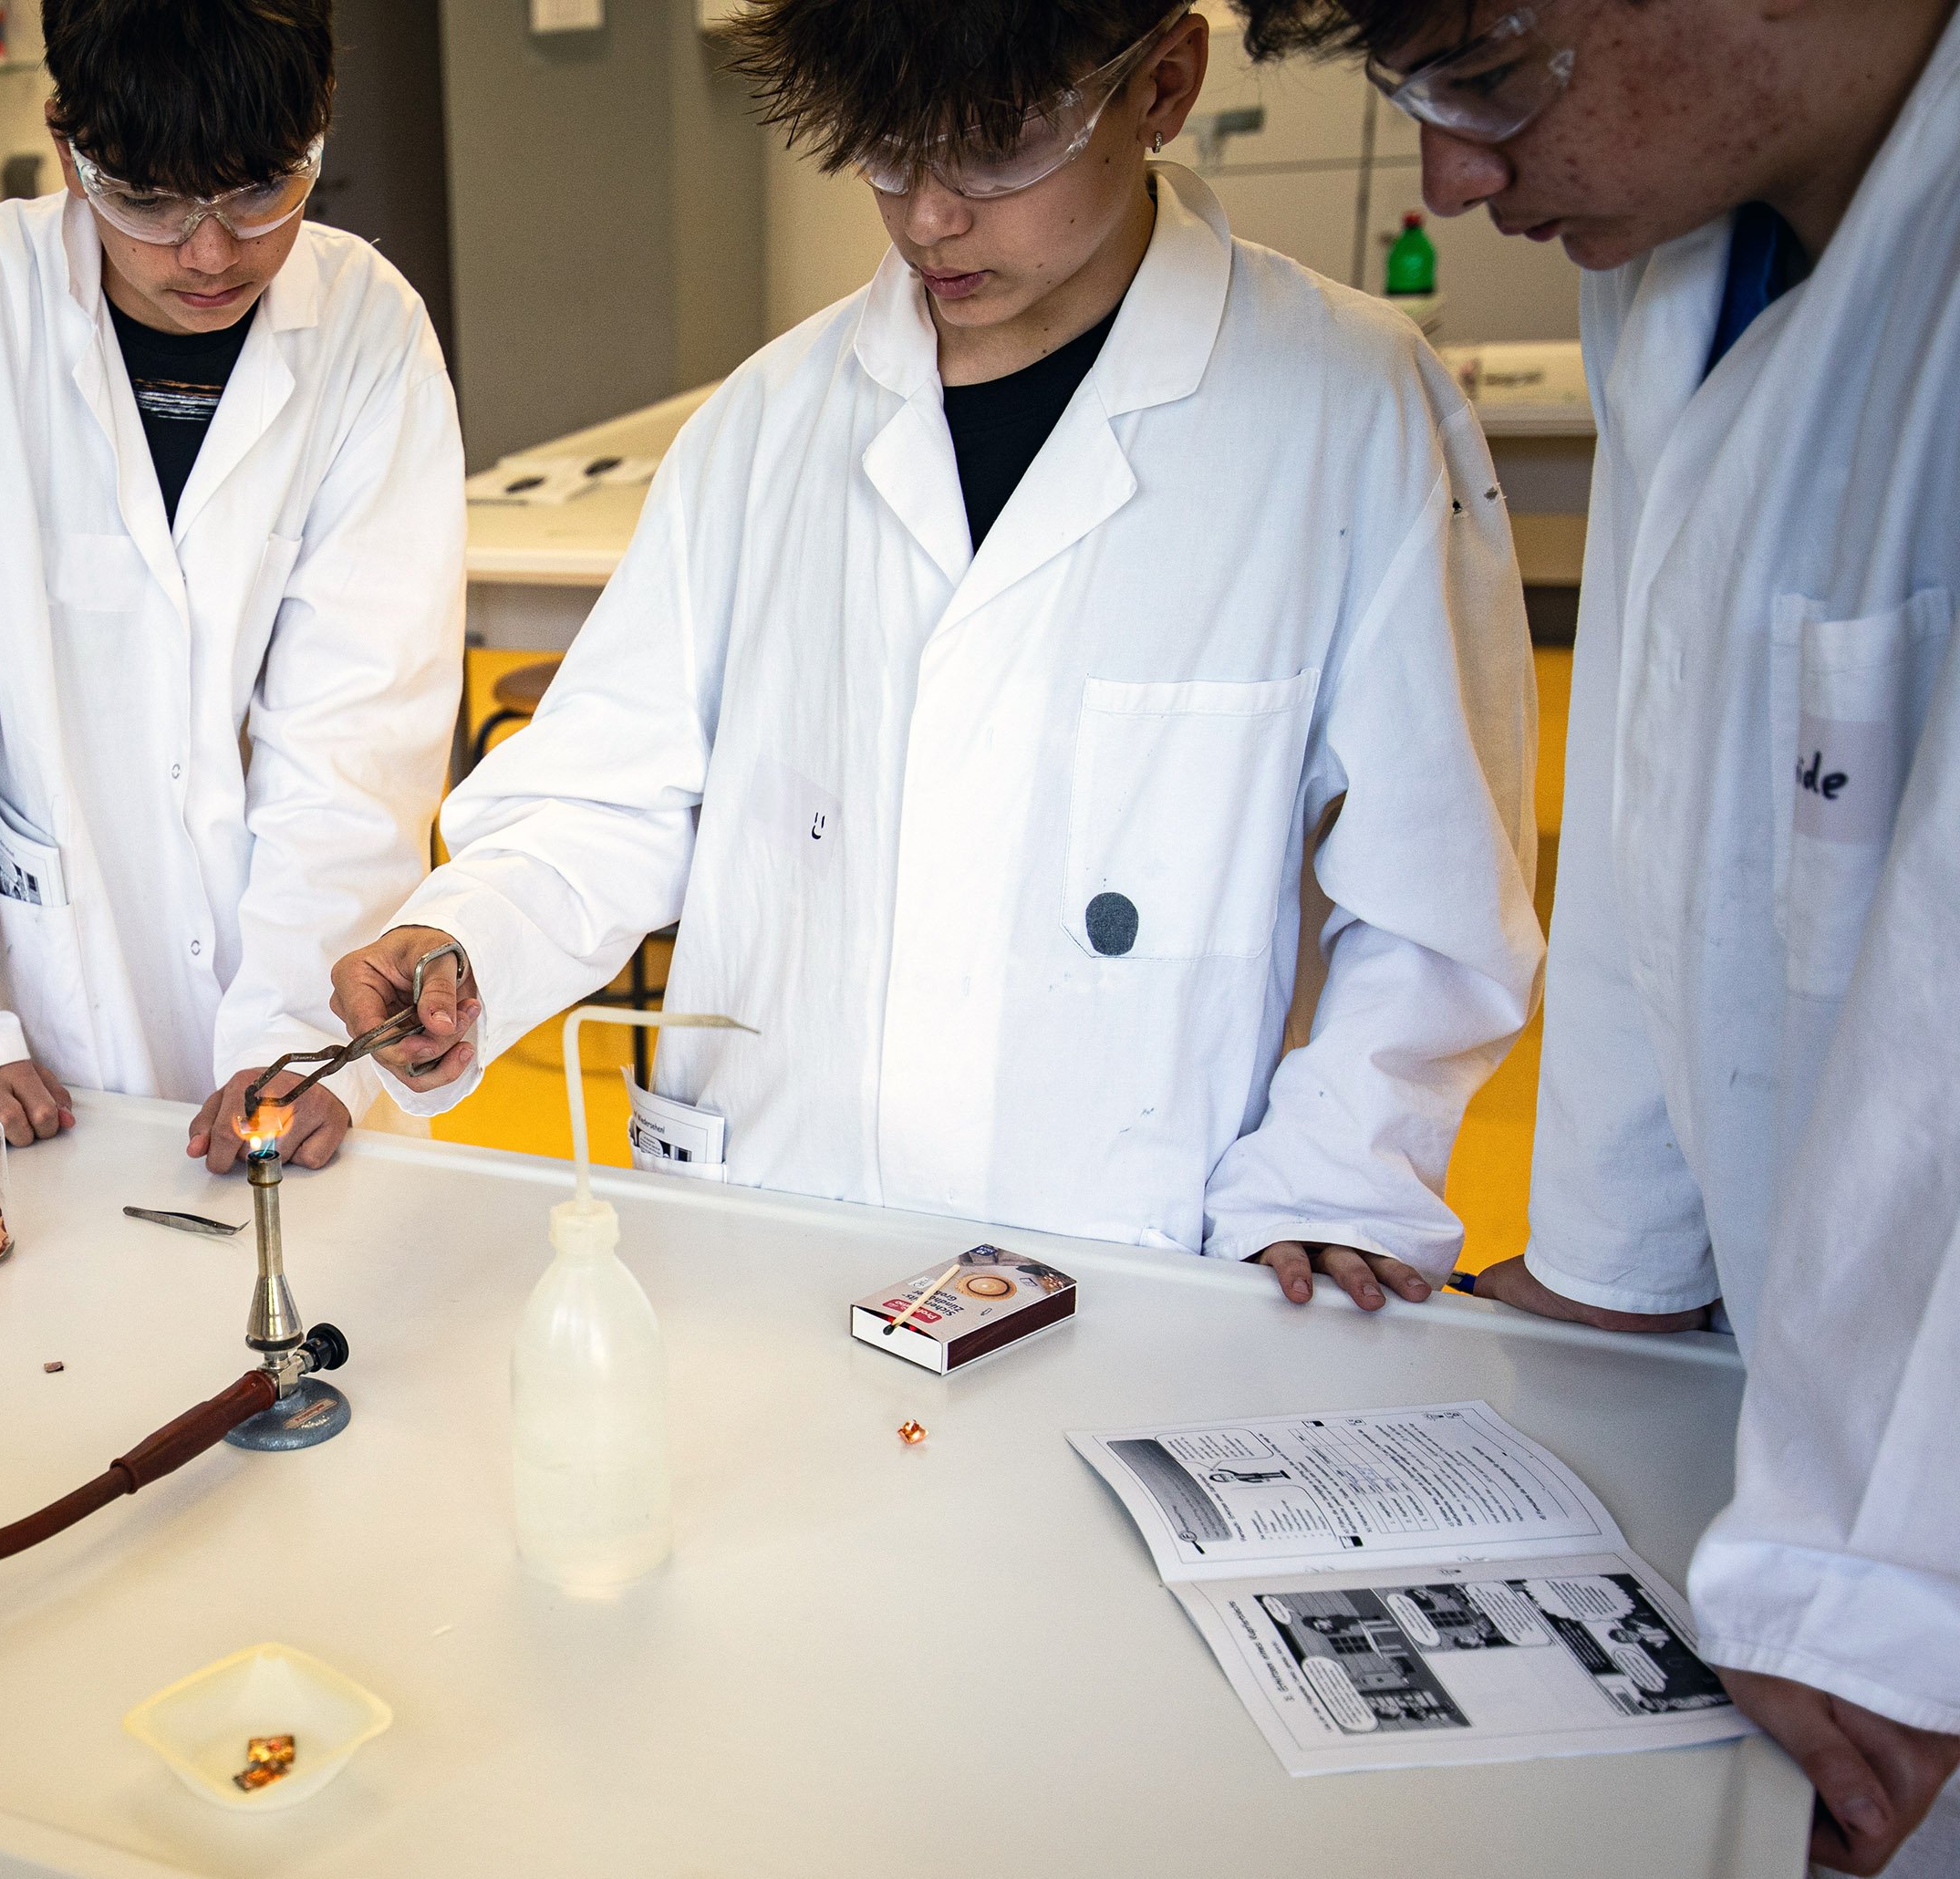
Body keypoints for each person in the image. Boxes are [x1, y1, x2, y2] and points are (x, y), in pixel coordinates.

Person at [334, 1, 1541, 1309]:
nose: (928, 218)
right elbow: (606, 794)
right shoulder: (766, 423)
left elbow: (1431, 895)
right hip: (774, 1220)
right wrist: (470, 940)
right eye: (889, 149)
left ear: (1163, 84)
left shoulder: (1347, 406)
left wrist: (1335, 1172)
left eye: (998, 146)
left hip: (1137, 1251)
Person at [1229, 0, 1960, 1867]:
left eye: (1487, 78)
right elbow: (1661, 794)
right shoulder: (1675, 271)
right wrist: (1611, 1271)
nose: (1451, 178)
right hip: (1786, 1397)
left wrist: (1900, 1578)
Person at [0, 0, 464, 1168]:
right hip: (33, 1027)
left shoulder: (369, 329)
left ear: (318, 127)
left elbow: (358, 741)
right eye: (150, 200)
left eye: (261, 190)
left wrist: (299, 1036)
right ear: (68, 146)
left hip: (293, 999)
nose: (210, 252)